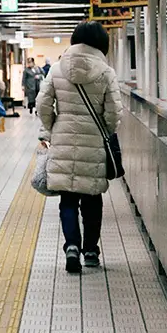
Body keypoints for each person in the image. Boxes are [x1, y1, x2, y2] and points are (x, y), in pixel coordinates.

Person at [37, 21, 121, 274]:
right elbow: (114, 112)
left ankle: (72, 246)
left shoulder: (56, 69)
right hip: (94, 141)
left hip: (63, 139)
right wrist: (105, 131)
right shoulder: (106, 72)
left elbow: (43, 103)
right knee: (92, 199)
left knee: (68, 198)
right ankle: (91, 251)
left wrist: (53, 127)